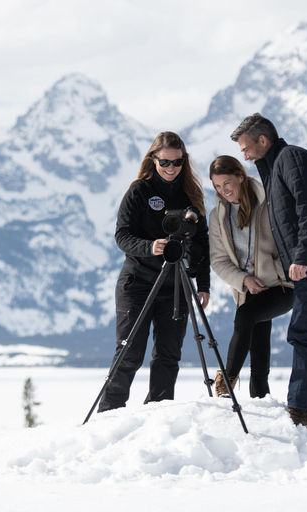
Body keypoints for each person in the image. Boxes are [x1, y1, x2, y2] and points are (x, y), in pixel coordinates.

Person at [231, 113, 307, 430]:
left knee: (304, 331)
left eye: (245, 148)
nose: (243, 155)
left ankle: (299, 410)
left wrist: (302, 257)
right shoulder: (277, 168)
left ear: (263, 140)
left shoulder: (291, 158)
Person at [98, 131, 210, 412]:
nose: (171, 169)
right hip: (138, 281)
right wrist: (151, 246)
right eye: (165, 163)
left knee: (168, 355)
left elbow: (203, 244)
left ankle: (157, 416)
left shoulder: (191, 196)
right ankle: (109, 415)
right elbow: (122, 236)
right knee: (129, 351)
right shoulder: (139, 191)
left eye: (177, 163)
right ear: (153, 160)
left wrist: (204, 285)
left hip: (177, 285)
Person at [208, 155, 293, 399]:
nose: (223, 191)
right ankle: (261, 399)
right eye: (217, 187)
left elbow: (290, 245)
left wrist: (273, 273)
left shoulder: (269, 203)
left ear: (241, 177)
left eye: (227, 184)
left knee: (245, 316)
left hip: (282, 284)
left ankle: (225, 381)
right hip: (248, 289)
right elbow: (219, 261)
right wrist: (244, 280)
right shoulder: (218, 217)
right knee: (258, 341)